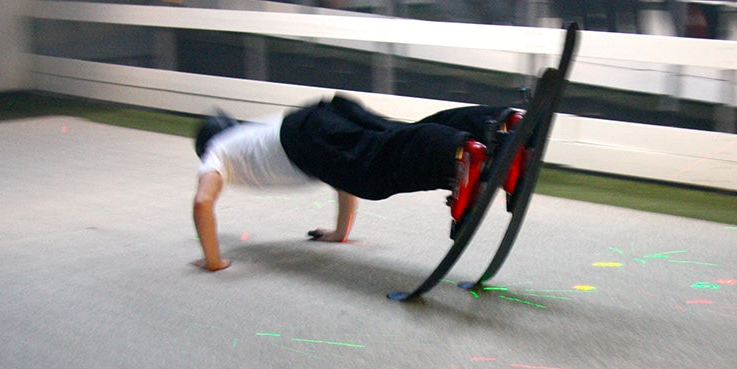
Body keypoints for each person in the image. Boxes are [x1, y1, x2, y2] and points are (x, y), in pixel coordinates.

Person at [191, 97, 522, 271]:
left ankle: (459, 155)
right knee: (396, 137)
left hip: (305, 135)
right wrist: (340, 233)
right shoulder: (248, 136)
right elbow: (340, 175)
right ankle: (499, 125)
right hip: (320, 116)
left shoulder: (216, 152)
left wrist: (213, 260)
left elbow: (202, 203)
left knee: (378, 169)